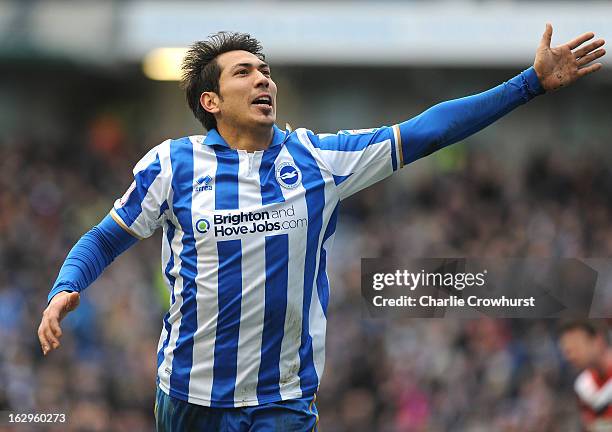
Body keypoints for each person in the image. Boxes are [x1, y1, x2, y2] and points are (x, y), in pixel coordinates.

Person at [38, 26, 605, 431]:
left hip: (282, 401)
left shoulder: (318, 161)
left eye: (265, 71)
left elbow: (428, 131)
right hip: (190, 396)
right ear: (211, 100)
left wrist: (527, 85)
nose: (263, 80)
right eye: (245, 73)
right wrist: (67, 285)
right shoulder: (171, 165)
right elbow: (105, 237)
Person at [559, 320, 612, 431]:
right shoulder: (583, 386)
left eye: (576, 348)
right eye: (567, 351)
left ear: (598, 341)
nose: (570, 356)